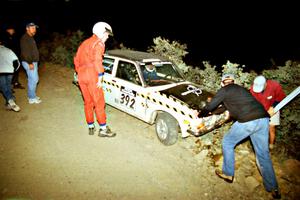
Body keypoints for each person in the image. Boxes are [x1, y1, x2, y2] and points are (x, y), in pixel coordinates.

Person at [195, 74, 281, 199]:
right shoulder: (242, 90)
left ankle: (228, 173)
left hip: (247, 120)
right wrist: (209, 113)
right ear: (233, 82)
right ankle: (274, 188)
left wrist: (200, 114)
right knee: (263, 154)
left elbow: (211, 105)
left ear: (222, 83)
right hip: (263, 120)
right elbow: (222, 108)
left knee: (228, 142)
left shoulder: (224, 90)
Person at [74, 21, 116, 137]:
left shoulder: (84, 43)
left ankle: (90, 126)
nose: (107, 37)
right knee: (99, 102)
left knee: (88, 102)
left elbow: (76, 59)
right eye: (107, 34)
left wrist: (79, 73)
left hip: (81, 75)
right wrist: (100, 77)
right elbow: (98, 60)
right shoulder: (99, 43)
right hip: (92, 74)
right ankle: (103, 129)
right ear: (102, 32)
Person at [250, 75, 286, 149]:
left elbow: (281, 97)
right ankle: (260, 145)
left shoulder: (274, 85)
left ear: (265, 84)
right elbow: (253, 101)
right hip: (260, 109)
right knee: (259, 127)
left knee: (271, 127)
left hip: (274, 108)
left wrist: (273, 107)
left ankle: (271, 144)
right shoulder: (253, 88)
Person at [20, 22, 41, 104]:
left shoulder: (30, 37)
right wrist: (30, 62)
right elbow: (25, 52)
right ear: (27, 28)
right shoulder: (25, 38)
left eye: (35, 28)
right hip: (29, 62)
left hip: (32, 62)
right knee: (34, 79)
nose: (34, 30)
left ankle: (31, 95)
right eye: (32, 28)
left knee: (31, 80)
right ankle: (32, 98)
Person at [2, 25, 25, 89]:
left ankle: (15, 83)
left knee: (16, 69)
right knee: (8, 71)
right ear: (7, 30)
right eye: (11, 29)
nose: (13, 31)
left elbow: (18, 46)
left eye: (13, 29)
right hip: (8, 58)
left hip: (16, 56)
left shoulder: (15, 37)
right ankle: (7, 87)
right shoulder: (4, 37)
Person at [0, 43, 21, 112]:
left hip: (1, 72)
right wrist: (14, 71)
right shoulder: (9, 50)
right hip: (10, 72)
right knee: (8, 86)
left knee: (3, 88)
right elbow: (17, 62)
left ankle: (10, 100)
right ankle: (9, 103)